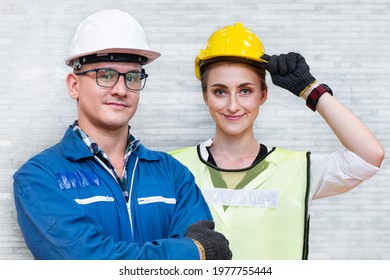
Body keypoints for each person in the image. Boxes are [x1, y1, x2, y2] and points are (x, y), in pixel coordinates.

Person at [13, 9, 232, 260]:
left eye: (132, 77)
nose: (120, 89)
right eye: (105, 75)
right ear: (74, 85)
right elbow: (86, 262)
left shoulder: (173, 174)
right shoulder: (39, 178)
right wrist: (192, 252)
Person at [170, 22, 384, 259]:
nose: (232, 105)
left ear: (263, 95)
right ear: (205, 96)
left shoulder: (299, 169)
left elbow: (370, 156)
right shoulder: (173, 168)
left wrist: (310, 90)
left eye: (245, 91)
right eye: (220, 91)